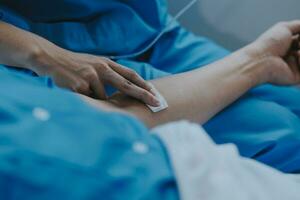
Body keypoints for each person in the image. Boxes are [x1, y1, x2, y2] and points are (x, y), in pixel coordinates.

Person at [1, 0, 300, 173]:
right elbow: (118, 120)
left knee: (292, 105)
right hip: (41, 48)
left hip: (139, 24)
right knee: (280, 132)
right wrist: (41, 54)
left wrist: (260, 62)